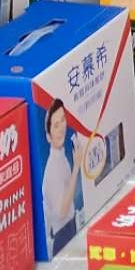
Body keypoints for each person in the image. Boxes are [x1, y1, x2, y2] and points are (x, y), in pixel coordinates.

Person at [41, 99, 83, 256]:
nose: (61, 129)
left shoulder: (61, 156)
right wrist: (76, 167)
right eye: (55, 125)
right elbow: (62, 211)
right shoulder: (52, 168)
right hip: (63, 235)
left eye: (62, 120)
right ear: (48, 136)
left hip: (69, 228)